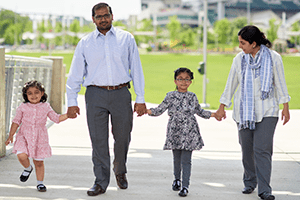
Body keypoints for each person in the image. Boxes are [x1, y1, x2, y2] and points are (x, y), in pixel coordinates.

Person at [66, 2, 147, 196]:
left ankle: (120, 170)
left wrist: (140, 97)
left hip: (121, 93)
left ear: (112, 16)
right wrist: (71, 102)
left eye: (106, 15)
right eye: (99, 16)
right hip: (95, 95)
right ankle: (100, 181)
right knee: (98, 140)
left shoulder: (126, 39)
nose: (103, 19)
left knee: (122, 137)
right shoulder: (85, 43)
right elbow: (75, 74)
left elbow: (136, 69)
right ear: (93, 19)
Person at [216, 25, 290, 200]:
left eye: (243, 43)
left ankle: (265, 190)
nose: (240, 46)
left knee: (262, 150)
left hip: (267, 110)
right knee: (247, 149)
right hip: (244, 112)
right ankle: (250, 182)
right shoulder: (239, 60)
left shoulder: (274, 58)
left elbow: (280, 82)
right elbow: (231, 83)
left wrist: (285, 106)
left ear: (254, 43)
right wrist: (222, 106)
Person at [146, 68, 220, 197]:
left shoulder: (192, 96)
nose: (183, 82)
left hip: (189, 130)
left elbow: (200, 112)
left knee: (186, 160)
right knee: (176, 158)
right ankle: (177, 180)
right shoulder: (170, 96)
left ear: (191, 82)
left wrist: (215, 114)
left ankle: (185, 186)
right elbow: (159, 110)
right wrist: (145, 111)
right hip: (175, 130)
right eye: (180, 79)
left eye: (187, 79)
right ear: (175, 81)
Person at [5, 80, 68, 192]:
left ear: (42, 93)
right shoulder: (22, 107)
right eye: (30, 93)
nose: (33, 95)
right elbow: (16, 121)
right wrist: (11, 135)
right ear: (26, 95)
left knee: (39, 162)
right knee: (21, 155)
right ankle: (28, 168)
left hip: (40, 137)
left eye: (36, 92)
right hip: (23, 136)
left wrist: (68, 115)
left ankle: (40, 183)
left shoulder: (46, 106)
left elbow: (56, 118)